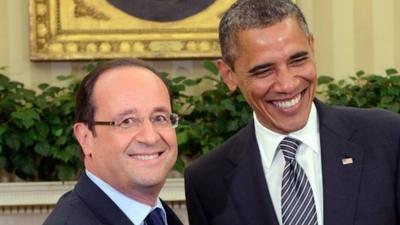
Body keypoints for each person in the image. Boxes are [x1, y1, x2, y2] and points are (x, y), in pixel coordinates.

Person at [184, 0, 400, 225]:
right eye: (264, 70)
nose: (287, 85)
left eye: (298, 60)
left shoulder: (388, 139)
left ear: (312, 47)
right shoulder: (206, 180)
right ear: (229, 74)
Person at [44, 58, 183, 225]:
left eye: (159, 118)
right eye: (127, 121)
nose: (150, 137)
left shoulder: (158, 217)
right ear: (85, 138)